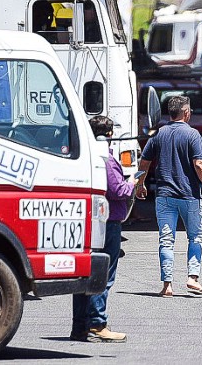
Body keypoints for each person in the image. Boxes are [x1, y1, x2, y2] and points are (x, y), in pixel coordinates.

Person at [136, 95, 202, 298]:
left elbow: (143, 163)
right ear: (186, 112)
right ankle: (192, 278)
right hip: (189, 196)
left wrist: (140, 184)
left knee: (166, 240)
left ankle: (167, 285)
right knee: (195, 237)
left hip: (164, 195)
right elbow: (199, 164)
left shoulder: (158, 134)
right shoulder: (193, 135)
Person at [71, 115, 132, 343]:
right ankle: (98, 323)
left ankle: (80, 327)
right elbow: (118, 190)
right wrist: (133, 183)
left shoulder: (84, 155)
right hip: (107, 223)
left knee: (84, 275)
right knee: (103, 274)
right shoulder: (106, 157)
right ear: (109, 135)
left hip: (87, 220)